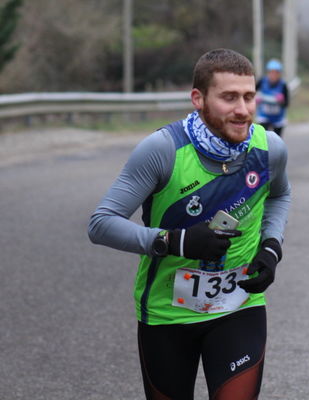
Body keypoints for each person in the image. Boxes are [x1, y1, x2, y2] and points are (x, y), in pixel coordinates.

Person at [88, 48, 291, 400]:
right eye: (229, 97)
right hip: (168, 315)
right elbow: (101, 223)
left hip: (239, 307)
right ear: (198, 98)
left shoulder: (269, 148)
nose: (242, 110)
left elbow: (279, 196)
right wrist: (175, 242)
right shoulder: (163, 150)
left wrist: (271, 247)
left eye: (248, 96)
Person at [255, 58, 289, 137]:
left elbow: (287, 103)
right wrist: (256, 98)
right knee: (263, 139)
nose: (273, 75)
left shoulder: (283, 85)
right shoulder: (262, 81)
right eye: (271, 72)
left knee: (277, 141)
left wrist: (282, 101)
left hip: (278, 117)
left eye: (276, 72)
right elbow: (252, 92)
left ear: (279, 73)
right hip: (264, 115)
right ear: (268, 72)